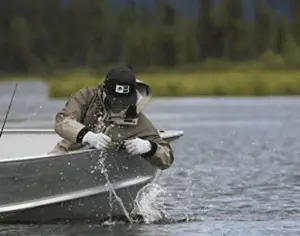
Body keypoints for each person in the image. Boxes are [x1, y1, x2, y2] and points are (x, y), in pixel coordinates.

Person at [50, 66, 174, 170]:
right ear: (104, 90)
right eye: (114, 101)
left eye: (124, 102)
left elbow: (167, 157)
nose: (119, 106)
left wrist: (149, 147)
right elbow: (62, 120)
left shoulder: (139, 122)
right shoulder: (86, 97)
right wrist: (87, 136)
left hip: (101, 172)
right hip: (65, 158)